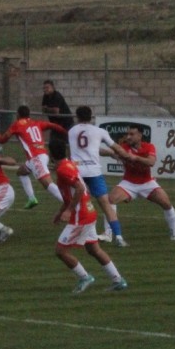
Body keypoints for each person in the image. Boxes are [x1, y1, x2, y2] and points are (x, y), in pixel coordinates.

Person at [52, 143, 129, 293]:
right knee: (94, 249)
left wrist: (69, 210)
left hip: (80, 217)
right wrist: (61, 211)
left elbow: (81, 188)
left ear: (51, 155)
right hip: (89, 212)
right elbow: (76, 190)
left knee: (61, 251)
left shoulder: (62, 169)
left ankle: (84, 277)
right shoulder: (69, 165)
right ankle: (118, 280)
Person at [109, 125, 175, 242]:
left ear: (140, 135)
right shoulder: (123, 147)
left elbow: (151, 162)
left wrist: (136, 158)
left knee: (166, 203)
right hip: (129, 182)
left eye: (132, 134)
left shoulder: (148, 146)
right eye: (127, 134)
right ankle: (108, 234)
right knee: (110, 200)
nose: (128, 137)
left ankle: (174, 234)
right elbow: (112, 152)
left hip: (147, 183)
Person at [68, 105, 127, 247]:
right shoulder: (99, 131)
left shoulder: (72, 131)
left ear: (77, 117)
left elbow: (90, 148)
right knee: (106, 204)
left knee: (80, 203)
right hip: (94, 171)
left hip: (77, 171)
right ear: (91, 117)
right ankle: (118, 237)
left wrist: (109, 153)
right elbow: (116, 147)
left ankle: (82, 236)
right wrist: (126, 156)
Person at [0, 104, 67, 208]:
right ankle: (31, 198)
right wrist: (65, 132)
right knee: (21, 172)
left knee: (48, 184)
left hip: (36, 158)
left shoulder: (17, 124)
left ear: (18, 114)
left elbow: (3, 140)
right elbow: (53, 125)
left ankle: (68, 203)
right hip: (41, 155)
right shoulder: (36, 123)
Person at [40, 79, 73, 157]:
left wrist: (47, 109)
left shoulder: (57, 96)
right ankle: (54, 161)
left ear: (53, 87)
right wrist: (49, 109)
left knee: (68, 143)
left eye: (47, 88)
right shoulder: (45, 96)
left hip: (66, 123)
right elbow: (42, 109)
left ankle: (70, 160)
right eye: (44, 88)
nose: (45, 90)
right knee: (52, 143)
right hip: (55, 124)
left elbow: (56, 111)